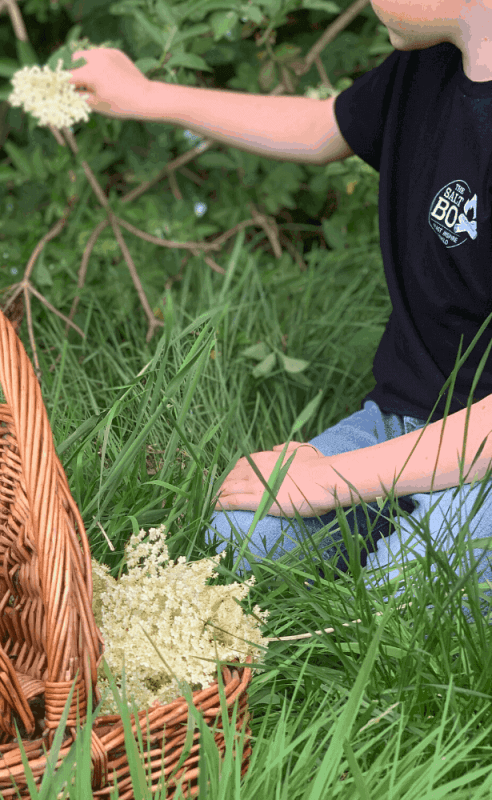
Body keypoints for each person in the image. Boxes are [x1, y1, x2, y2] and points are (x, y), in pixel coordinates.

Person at [69, 0, 492, 585]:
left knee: (405, 596)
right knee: (241, 541)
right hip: (406, 417)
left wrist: (327, 480)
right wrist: (145, 95)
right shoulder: (429, 64)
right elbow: (321, 128)